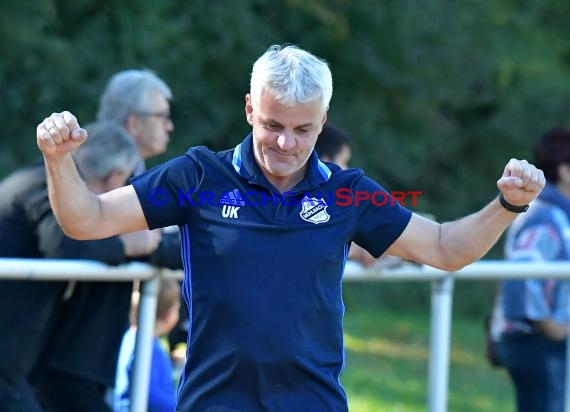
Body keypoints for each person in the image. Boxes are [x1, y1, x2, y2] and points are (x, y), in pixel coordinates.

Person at [36, 44, 545, 411]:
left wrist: (506, 204)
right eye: (273, 125)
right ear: (250, 109)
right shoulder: (198, 176)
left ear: (323, 122)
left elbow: (445, 247)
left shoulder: (349, 193)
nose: (286, 144)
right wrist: (59, 161)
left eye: (303, 130)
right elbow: (89, 220)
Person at [34, 69, 181, 412]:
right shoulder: (108, 166)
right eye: (162, 116)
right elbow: (76, 238)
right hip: (73, 350)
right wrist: (159, 244)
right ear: (134, 122)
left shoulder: (122, 165)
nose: (169, 125)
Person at [0, 121, 160, 412]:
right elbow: (65, 246)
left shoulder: (37, 179)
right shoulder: (42, 183)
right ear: (114, 178)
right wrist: (128, 244)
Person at [491, 127, 570, 412]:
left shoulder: (555, 212)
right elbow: (522, 276)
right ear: (565, 171)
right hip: (535, 339)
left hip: (537, 339)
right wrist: (551, 326)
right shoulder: (548, 215)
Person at [114, 278, 180, 412]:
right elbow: (149, 395)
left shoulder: (132, 338)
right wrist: (181, 407)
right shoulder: (146, 347)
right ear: (167, 315)